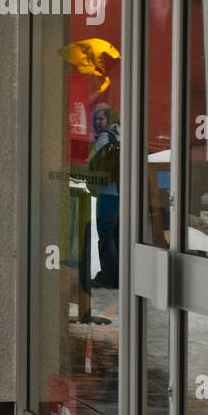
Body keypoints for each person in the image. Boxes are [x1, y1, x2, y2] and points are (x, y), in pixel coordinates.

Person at [88, 104, 120, 289]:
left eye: (101, 118)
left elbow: (97, 168)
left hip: (108, 194)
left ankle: (110, 278)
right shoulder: (122, 136)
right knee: (116, 237)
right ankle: (115, 275)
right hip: (121, 194)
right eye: (96, 119)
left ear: (110, 119)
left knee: (106, 236)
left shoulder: (104, 139)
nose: (97, 122)